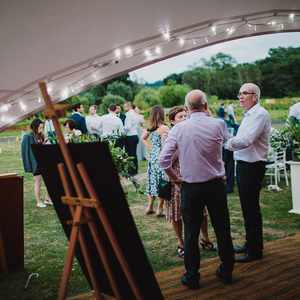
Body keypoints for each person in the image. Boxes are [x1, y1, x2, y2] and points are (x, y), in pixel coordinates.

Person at [160, 90, 234, 289]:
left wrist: (176, 180)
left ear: (187, 107)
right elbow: (230, 145)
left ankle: (192, 276)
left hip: (190, 187)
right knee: (222, 229)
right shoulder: (218, 124)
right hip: (215, 185)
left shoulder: (179, 128)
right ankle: (227, 271)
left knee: (191, 233)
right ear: (206, 105)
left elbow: (163, 160)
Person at [225, 83, 271, 263]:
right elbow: (241, 139)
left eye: (245, 93)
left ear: (255, 96)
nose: (240, 97)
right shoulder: (249, 115)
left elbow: (246, 140)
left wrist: (226, 143)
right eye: (239, 93)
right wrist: (231, 141)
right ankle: (250, 243)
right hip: (244, 164)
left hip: (252, 166)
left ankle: (255, 250)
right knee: (247, 208)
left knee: (251, 209)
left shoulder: (260, 114)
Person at [166, 106, 216, 259]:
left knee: (202, 212)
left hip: (196, 177)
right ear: (172, 121)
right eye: (180, 117)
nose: (184, 119)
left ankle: (205, 239)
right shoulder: (170, 136)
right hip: (178, 180)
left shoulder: (193, 132)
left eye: (185, 116)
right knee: (177, 214)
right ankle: (181, 243)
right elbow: (166, 160)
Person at [143, 105, 169, 217]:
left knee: (152, 181)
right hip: (161, 156)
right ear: (162, 114)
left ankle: (150, 206)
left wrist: (150, 148)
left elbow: (143, 138)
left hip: (152, 157)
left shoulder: (150, 128)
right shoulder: (165, 128)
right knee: (162, 182)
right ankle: (160, 208)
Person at [21, 118, 51, 208]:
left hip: (44, 160)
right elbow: (26, 151)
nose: (41, 129)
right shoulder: (28, 136)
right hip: (35, 162)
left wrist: (45, 142)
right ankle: (38, 201)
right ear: (35, 127)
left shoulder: (41, 135)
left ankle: (47, 199)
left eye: (42, 127)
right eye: (40, 127)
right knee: (38, 181)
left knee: (49, 180)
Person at [124, 101, 142, 176]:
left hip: (130, 136)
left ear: (129, 106)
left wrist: (122, 130)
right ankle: (135, 170)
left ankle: (131, 171)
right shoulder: (135, 114)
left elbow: (127, 127)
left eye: (125, 106)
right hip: (135, 135)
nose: (124, 107)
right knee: (134, 154)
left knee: (130, 154)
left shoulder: (128, 114)